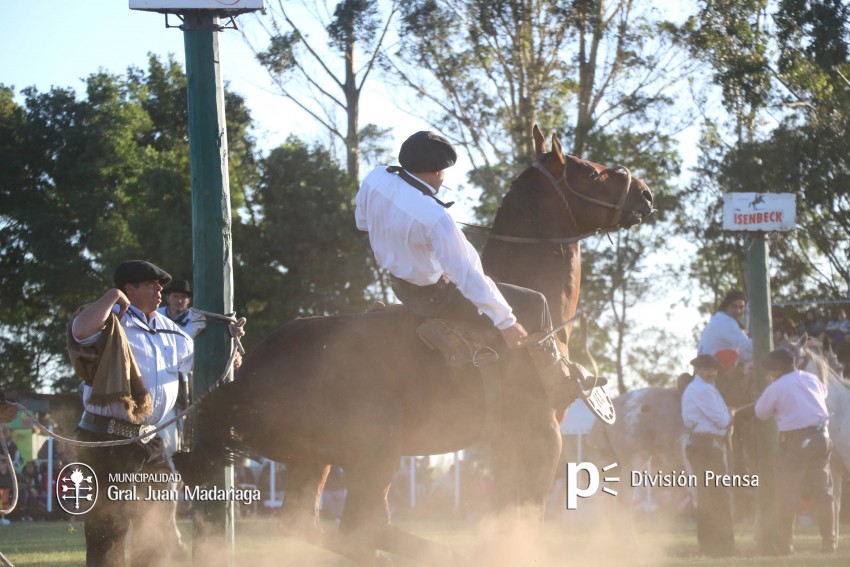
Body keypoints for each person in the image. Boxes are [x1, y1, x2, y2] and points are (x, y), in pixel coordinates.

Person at [355, 131, 581, 405]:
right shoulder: (436, 218)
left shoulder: (376, 178)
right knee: (535, 302)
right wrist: (507, 322)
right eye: (444, 173)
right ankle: (557, 383)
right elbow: (469, 274)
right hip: (437, 297)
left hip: (400, 286)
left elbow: (363, 223)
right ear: (438, 171)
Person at [69, 260, 193, 566]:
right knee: (108, 533)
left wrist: (232, 360)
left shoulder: (172, 331)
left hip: (151, 441)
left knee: (157, 531)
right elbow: (79, 331)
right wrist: (112, 296)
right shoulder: (110, 319)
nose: (159, 290)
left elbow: (198, 366)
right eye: (151, 284)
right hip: (106, 439)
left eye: (160, 285)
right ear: (129, 289)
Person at [754, 348, 835, 554]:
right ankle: (829, 542)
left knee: (787, 494)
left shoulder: (776, 387)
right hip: (821, 438)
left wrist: (771, 389)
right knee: (824, 493)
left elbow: (761, 413)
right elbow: (823, 394)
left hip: (795, 443)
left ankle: (785, 544)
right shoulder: (811, 378)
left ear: (777, 369)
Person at [681, 354, 736, 557]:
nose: (713, 373)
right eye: (708, 369)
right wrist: (730, 416)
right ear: (699, 370)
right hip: (706, 447)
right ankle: (722, 547)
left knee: (709, 497)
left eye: (714, 369)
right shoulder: (703, 390)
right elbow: (721, 421)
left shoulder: (704, 389)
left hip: (703, 446)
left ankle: (710, 546)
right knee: (717, 498)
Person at [697, 290, 753, 368]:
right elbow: (745, 344)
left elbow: (742, 353)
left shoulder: (722, 318)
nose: (738, 311)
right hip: (712, 371)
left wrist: (760, 355)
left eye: (741, 307)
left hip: (711, 368)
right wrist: (767, 346)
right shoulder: (725, 321)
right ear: (726, 306)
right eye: (734, 306)